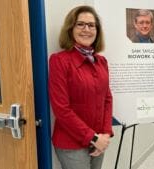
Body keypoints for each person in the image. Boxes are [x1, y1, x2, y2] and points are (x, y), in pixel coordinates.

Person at [48, 5, 113, 169]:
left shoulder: (101, 61)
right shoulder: (59, 61)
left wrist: (104, 134)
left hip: (99, 139)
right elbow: (61, 109)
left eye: (91, 25)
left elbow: (107, 98)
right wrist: (93, 138)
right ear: (71, 28)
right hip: (71, 143)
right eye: (80, 24)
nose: (86, 29)